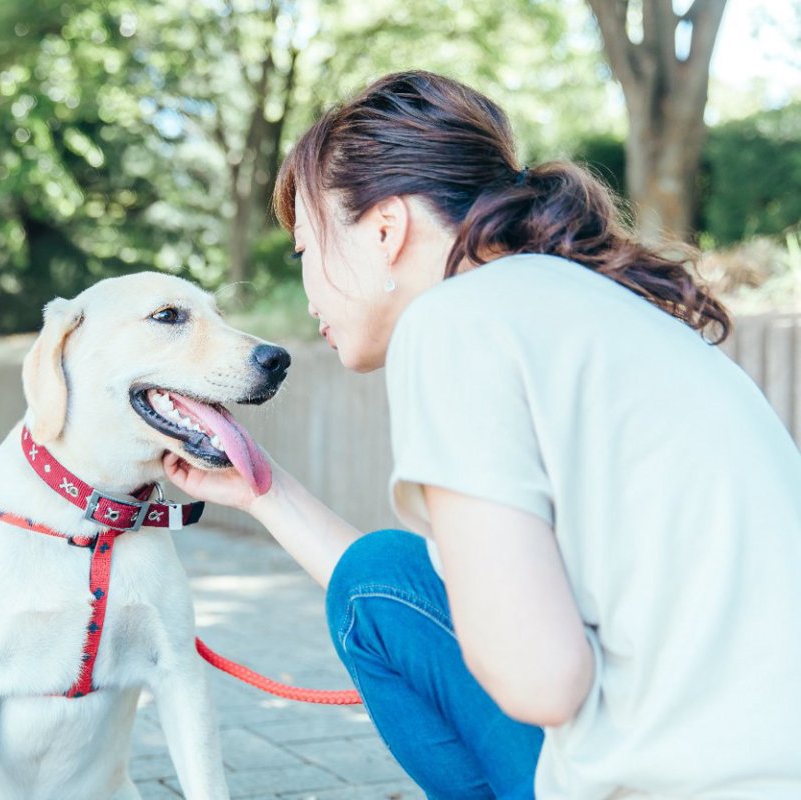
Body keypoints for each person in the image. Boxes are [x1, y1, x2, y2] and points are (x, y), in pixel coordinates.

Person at [161, 70, 801, 799]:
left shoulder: (456, 323)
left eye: (306, 250)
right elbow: (392, 597)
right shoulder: (585, 304)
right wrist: (263, 492)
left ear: (385, 228)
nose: (307, 289)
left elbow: (542, 681)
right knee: (380, 576)